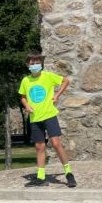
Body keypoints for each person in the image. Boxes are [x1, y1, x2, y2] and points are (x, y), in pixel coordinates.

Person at [18, 51, 76, 187]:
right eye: (32, 63)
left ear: (41, 64)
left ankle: (68, 172)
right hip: (35, 118)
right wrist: (26, 106)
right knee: (39, 146)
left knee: (56, 143)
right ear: (28, 65)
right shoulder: (25, 81)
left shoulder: (48, 76)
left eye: (38, 63)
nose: (35, 65)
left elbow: (65, 81)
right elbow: (22, 96)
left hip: (49, 115)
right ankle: (41, 176)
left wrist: (57, 96)